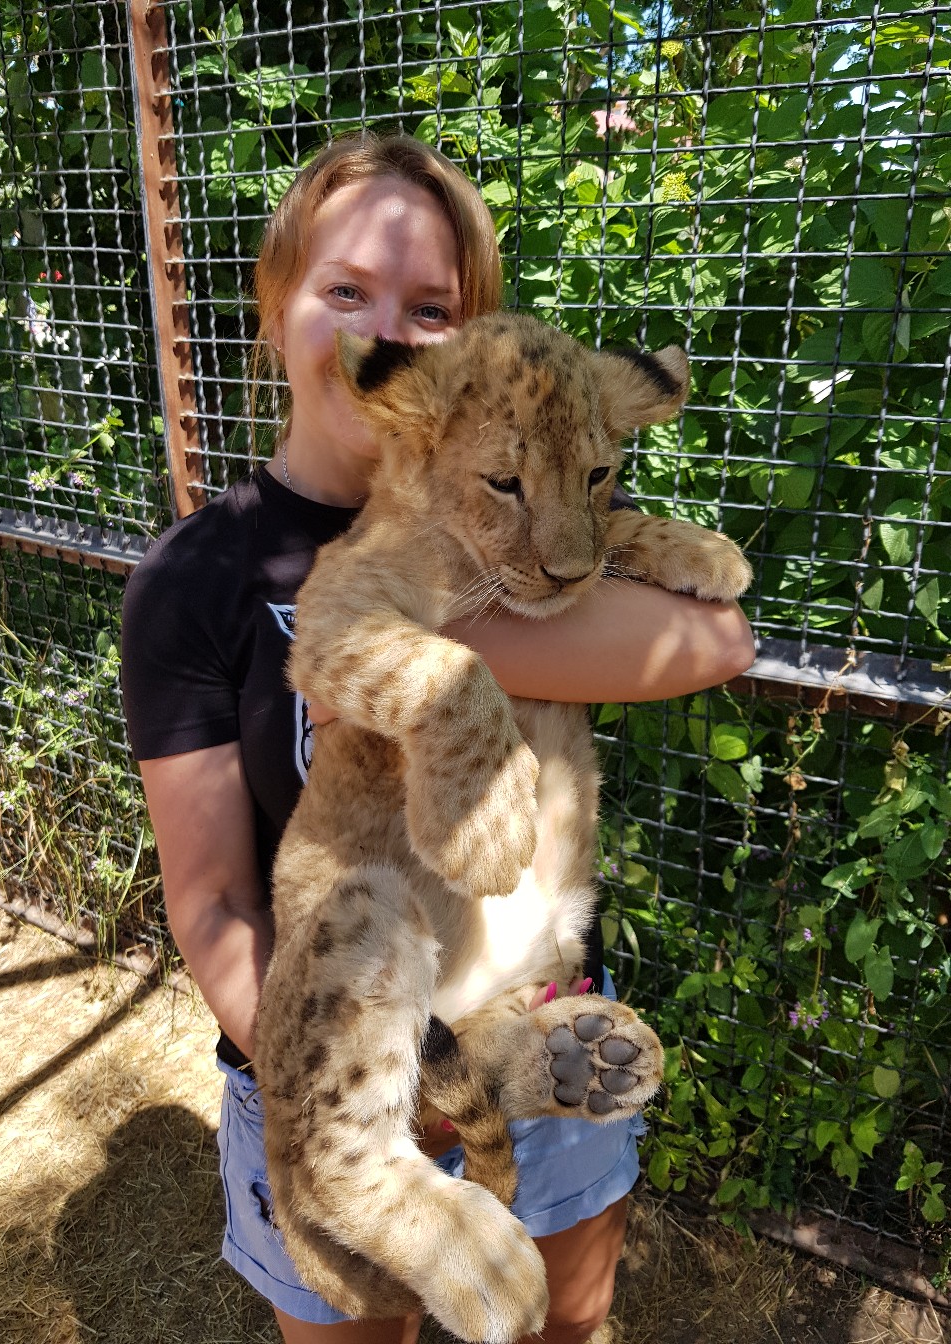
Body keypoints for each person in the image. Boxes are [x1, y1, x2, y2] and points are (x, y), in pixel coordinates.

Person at [121, 131, 755, 1344]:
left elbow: (713, 642)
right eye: (347, 293)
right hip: (337, 1053)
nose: (394, 335)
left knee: (563, 1325)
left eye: (434, 306)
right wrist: (371, 1100)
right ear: (276, 305)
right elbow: (209, 908)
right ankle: (355, 1177)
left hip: (535, 1018)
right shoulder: (195, 581)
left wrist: (486, 617)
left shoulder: (506, 489)